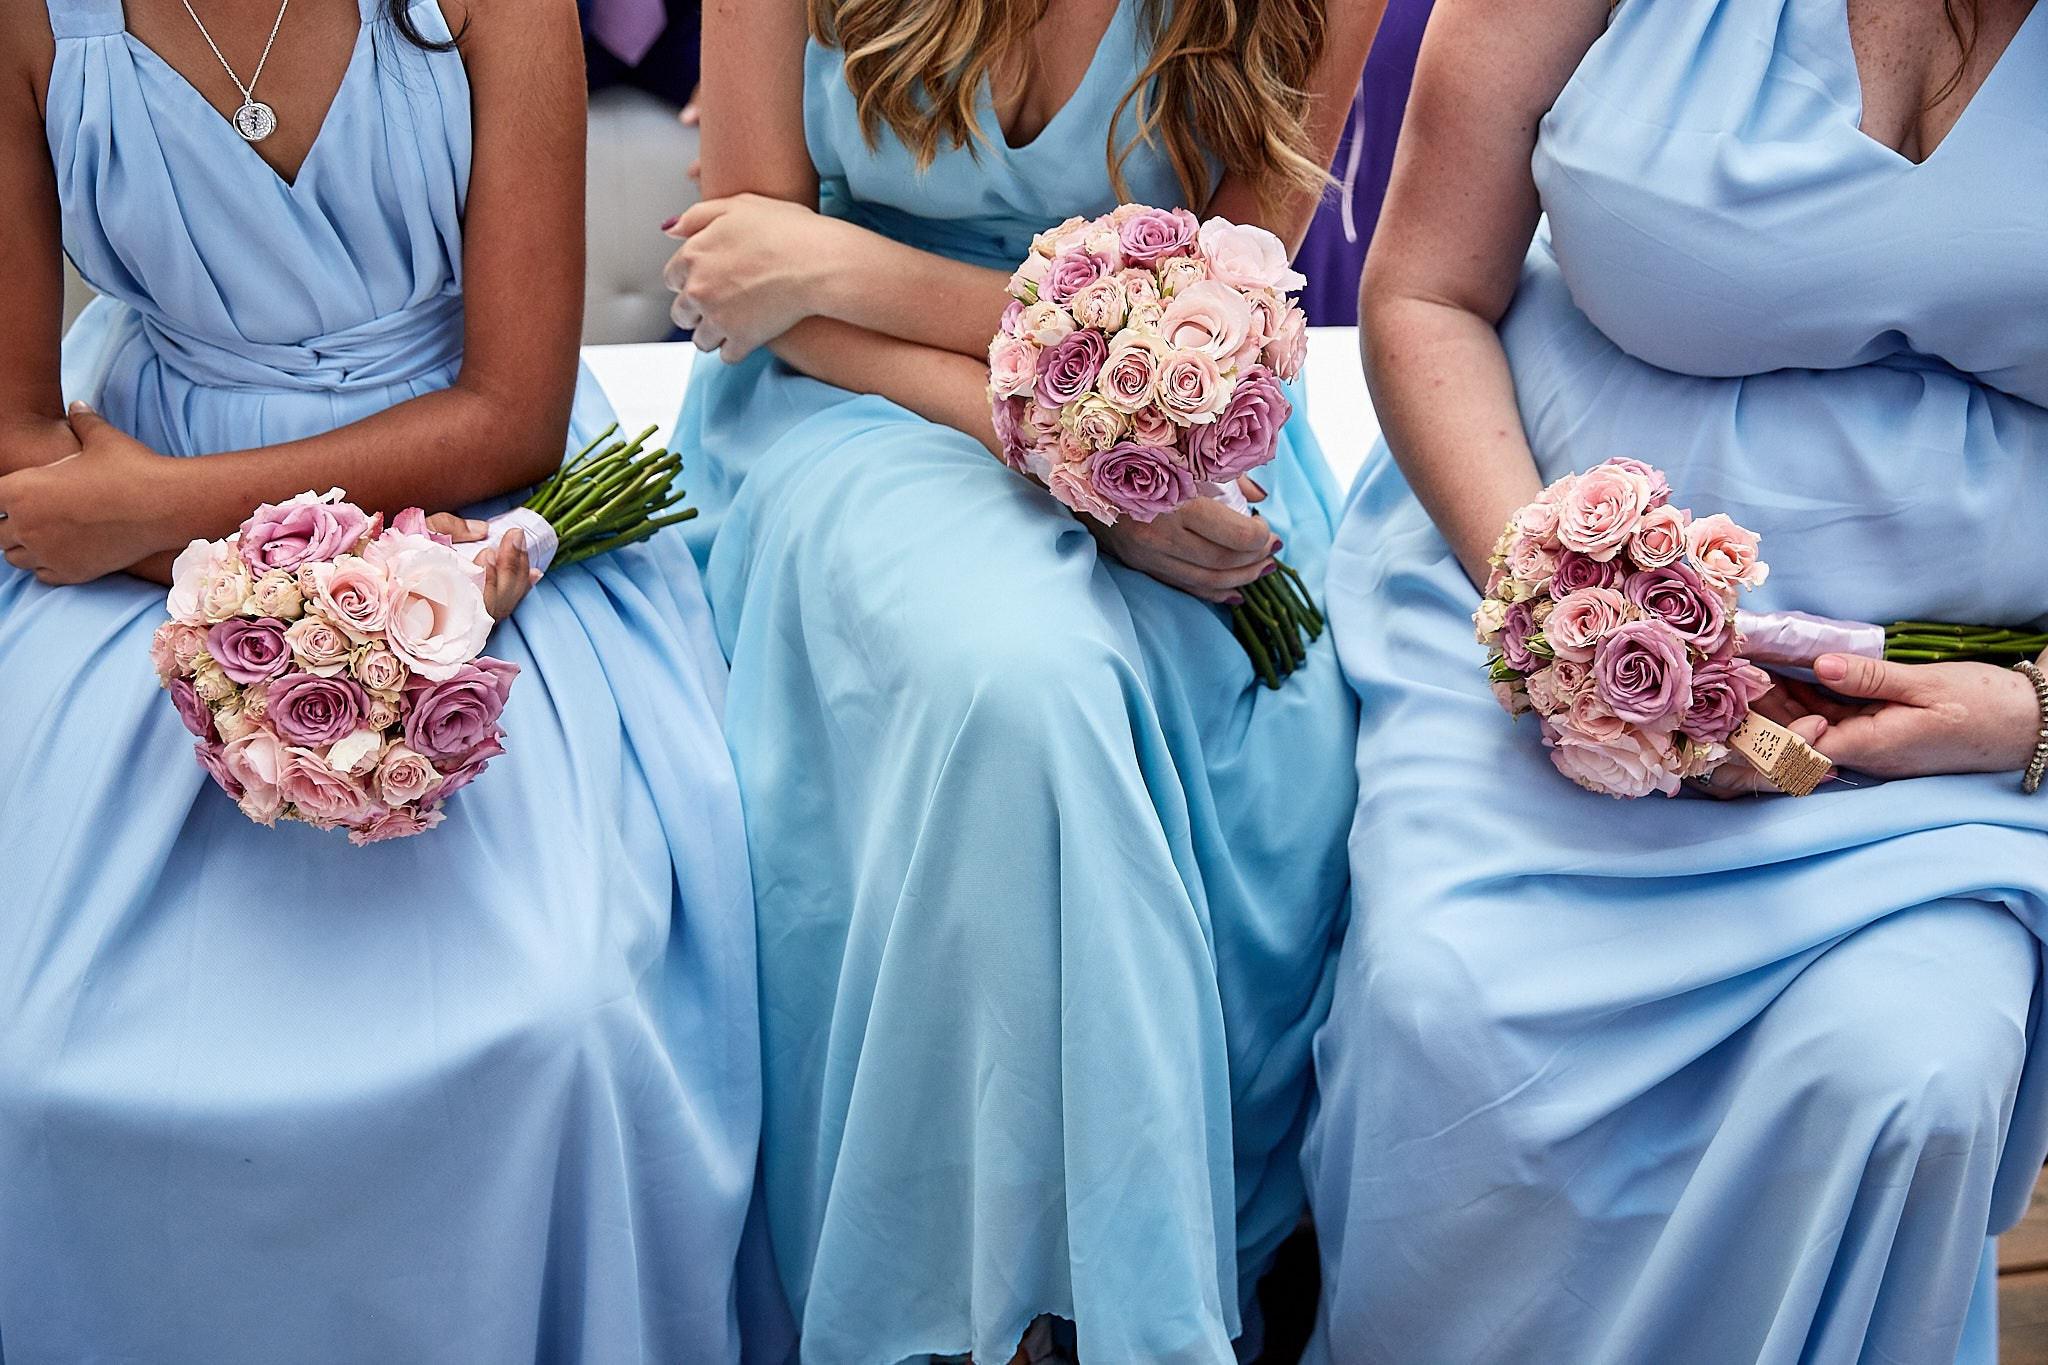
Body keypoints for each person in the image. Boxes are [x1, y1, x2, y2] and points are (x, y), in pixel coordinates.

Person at [0, 2, 758, 1360]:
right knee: (38, 1058)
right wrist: (171, 559)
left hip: (461, 519)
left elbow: (512, 409)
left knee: (559, 1013)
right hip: (126, 580)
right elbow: (26, 467)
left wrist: (192, 524)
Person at [1304, 0, 2048, 1360]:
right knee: (1451, 1007)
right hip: (1544, 635)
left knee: (1910, 1076)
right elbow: (1422, 291)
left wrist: (2034, 710)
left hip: (1950, 753)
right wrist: (1563, 626)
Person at [662, 1, 1376, 1359]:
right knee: (1021, 685)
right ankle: (1000, 1309)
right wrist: (1043, 444)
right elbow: (739, 282)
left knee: (1256, 751)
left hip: (1179, 435)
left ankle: (1134, 1266)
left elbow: (1214, 325)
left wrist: (844, 264)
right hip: (846, 405)